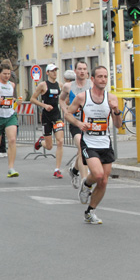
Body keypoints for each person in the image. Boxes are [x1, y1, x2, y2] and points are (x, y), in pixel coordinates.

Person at [64, 65, 122, 225]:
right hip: (89, 142)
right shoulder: (83, 97)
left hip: (105, 141)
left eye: (105, 77)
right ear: (93, 79)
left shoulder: (112, 98)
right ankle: (86, 184)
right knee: (98, 175)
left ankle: (90, 212)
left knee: (104, 181)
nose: (103, 79)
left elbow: (118, 125)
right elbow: (68, 113)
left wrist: (116, 110)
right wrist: (79, 123)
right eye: (100, 77)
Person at [59, 61, 91, 189]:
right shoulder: (68, 86)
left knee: (82, 152)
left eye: (84, 69)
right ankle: (84, 182)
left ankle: (74, 171)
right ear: (76, 71)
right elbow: (61, 99)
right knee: (82, 148)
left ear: (87, 72)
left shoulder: (92, 85)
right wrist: (65, 110)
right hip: (75, 122)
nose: (82, 71)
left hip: (88, 123)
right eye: (80, 69)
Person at [30, 64, 65, 178]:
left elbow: (64, 98)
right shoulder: (43, 85)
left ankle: (57, 169)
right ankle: (41, 142)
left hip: (57, 116)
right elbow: (32, 99)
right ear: (47, 73)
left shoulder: (60, 85)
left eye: (56, 70)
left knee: (60, 141)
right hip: (46, 117)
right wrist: (44, 105)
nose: (55, 73)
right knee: (49, 146)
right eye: (52, 71)